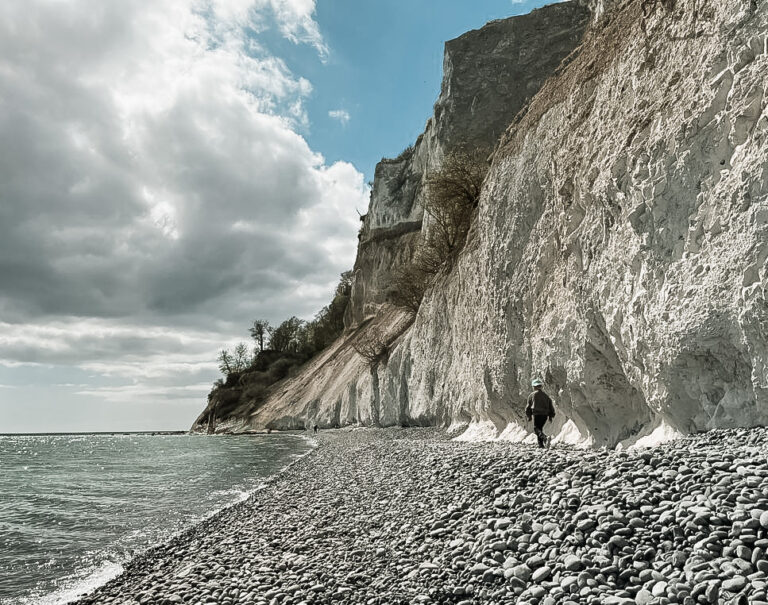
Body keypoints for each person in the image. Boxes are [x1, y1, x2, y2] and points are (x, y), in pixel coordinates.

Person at [525, 378, 555, 448]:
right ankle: (541, 445)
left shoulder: (532, 395)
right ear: (541, 386)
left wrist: (528, 416)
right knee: (540, 428)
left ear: (534, 387)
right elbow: (551, 406)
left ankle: (545, 438)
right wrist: (551, 416)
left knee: (536, 429)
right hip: (545, 415)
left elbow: (528, 407)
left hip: (537, 414)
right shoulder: (546, 396)